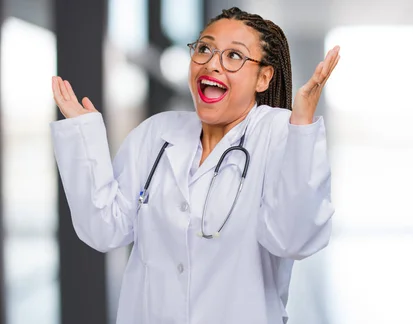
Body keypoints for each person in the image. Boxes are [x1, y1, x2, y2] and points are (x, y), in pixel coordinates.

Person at [50, 6, 339, 324]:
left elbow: (292, 239)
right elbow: (104, 230)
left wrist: (301, 126)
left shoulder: (279, 133)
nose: (212, 63)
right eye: (204, 49)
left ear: (263, 77)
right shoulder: (158, 134)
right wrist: (84, 136)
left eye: (233, 56)